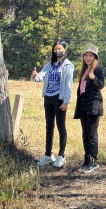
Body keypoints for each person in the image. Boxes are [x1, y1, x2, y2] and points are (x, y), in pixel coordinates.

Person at [32, 40, 74, 168]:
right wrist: (35, 76)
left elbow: (68, 85)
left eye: (59, 48)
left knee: (61, 126)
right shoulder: (50, 64)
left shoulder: (68, 65)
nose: (57, 51)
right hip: (48, 98)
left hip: (59, 98)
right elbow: (41, 76)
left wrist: (66, 101)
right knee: (49, 126)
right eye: (55, 49)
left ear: (65, 50)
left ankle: (61, 155)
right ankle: (48, 154)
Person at [74, 44, 104, 174]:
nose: (88, 58)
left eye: (90, 56)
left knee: (92, 134)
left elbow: (101, 85)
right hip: (83, 106)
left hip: (93, 106)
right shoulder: (83, 70)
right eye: (86, 55)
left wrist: (94, 78)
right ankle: (86, 160)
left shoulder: (98, 70)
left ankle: (93, 161)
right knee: (85, 134)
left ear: (95, 57)